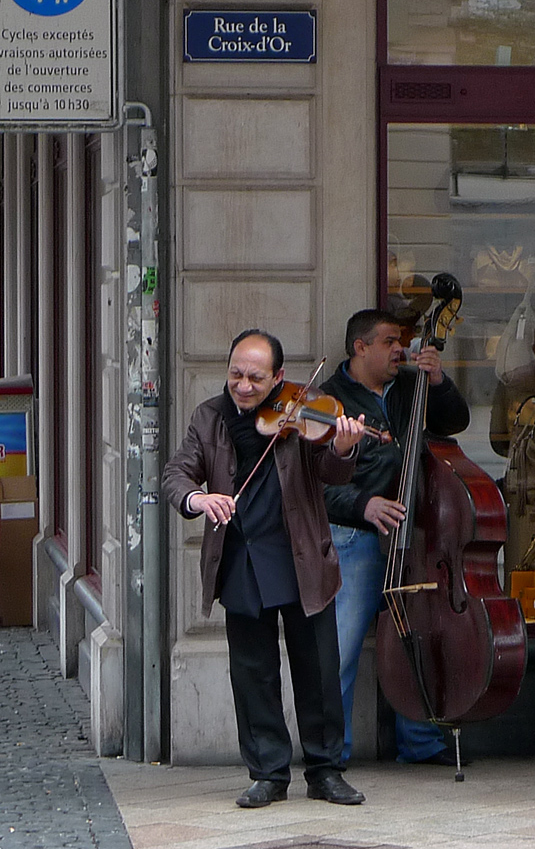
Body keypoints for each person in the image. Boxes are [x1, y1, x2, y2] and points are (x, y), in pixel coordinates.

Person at [162, 329, 368, 809]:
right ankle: (268, 773)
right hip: (242, 557)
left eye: (256, 377)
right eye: (236, 373)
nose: (244, 385)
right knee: (252, 673)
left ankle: (325, 770)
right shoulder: (209, 417)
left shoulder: (304, 411)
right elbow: (177, 473)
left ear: (278, 377)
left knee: (317, 669)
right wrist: (199, 497)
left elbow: (332, 473)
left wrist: (342, 447)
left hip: (300, 555)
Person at [320, 308, 471, 768]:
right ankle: (329, 753)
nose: (399, 350)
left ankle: (421, 743)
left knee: (417, 638)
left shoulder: (410, 386)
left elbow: (456, 421)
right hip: (355, 535)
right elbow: (316, 483)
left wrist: (439, 381)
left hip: (412, 535)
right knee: (343, 650)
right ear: (359, 347)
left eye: (401, 341)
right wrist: (362, 504)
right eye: (388, 341)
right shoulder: (329, 400)